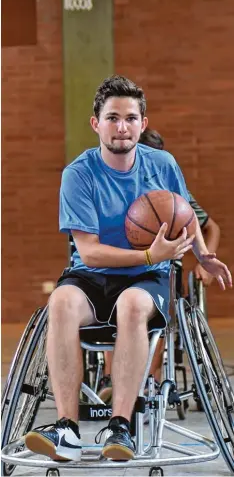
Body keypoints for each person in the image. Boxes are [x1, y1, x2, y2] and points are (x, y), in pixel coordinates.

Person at [25, 76, 232, 463]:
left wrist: (203, 255)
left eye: (131, 118)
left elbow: (186, 214)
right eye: (113, 118)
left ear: (143, 123)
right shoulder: (78, 174)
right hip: (95, 272)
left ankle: (119, 424)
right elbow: (89, 252)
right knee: (62, 302)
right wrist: (151, 255)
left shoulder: (163, 164)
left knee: (133, 306)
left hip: (146, 279)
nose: (122, 127)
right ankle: (67, 428)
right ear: (96, 123)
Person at [98, 127, 221, 396]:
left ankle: (145, 380)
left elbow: (211, 227)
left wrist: (205, 259)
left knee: (157, 318)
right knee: (112, 309)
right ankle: (111, 379)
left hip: (163, 270)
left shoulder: (173, 193)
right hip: (122, 266)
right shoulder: (111, 190)